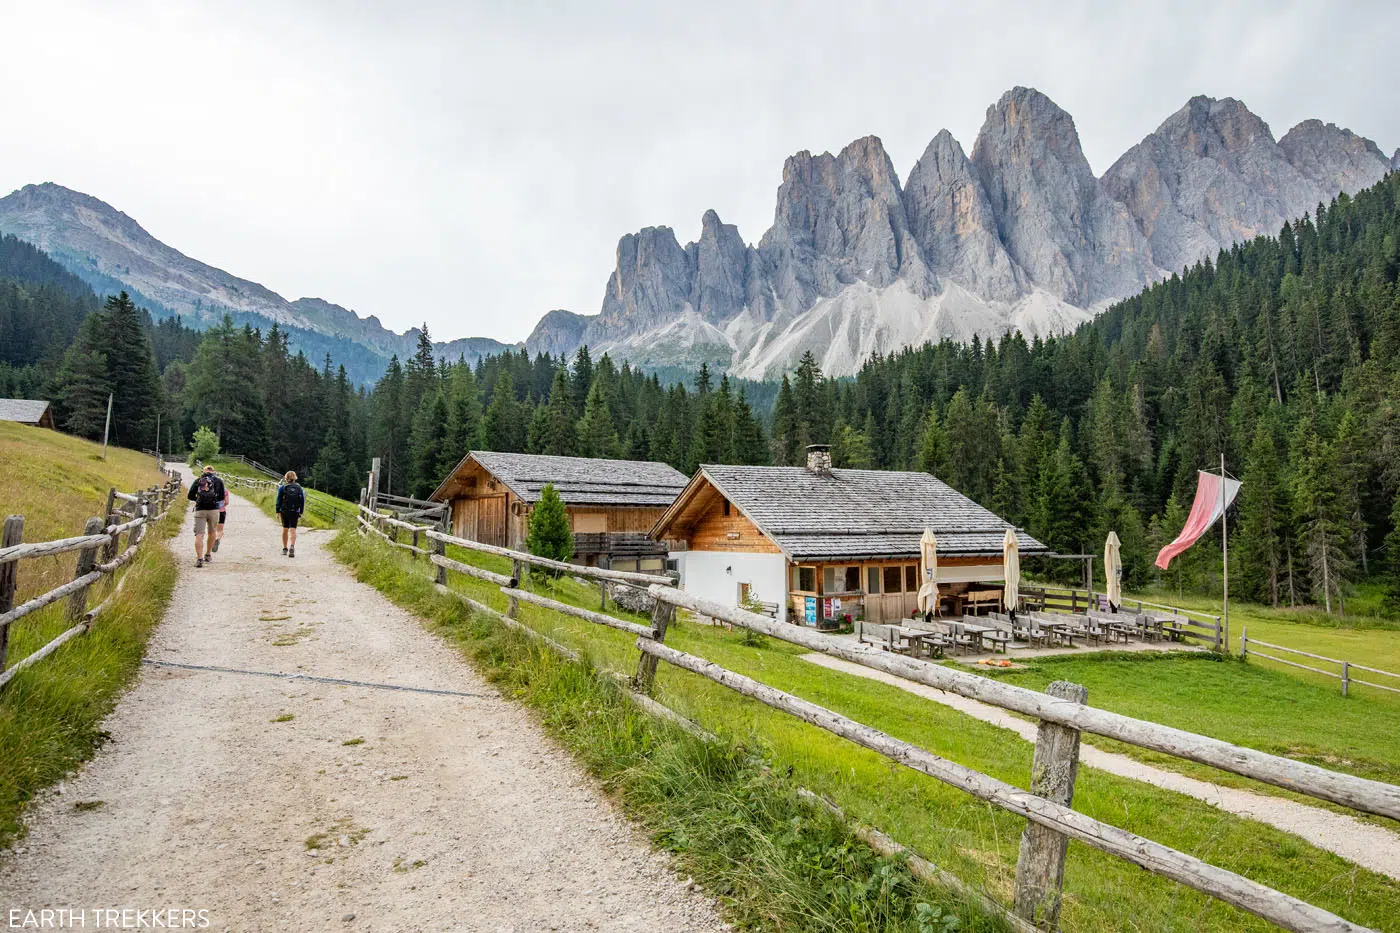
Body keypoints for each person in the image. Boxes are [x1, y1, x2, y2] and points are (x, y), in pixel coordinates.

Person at [187, 465, 226, 568]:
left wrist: (198, 500)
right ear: (214, 471)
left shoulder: (198, 480)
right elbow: (222, 497)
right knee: (212, 532)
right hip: (214, 510)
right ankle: (208, 554)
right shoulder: (219, 481)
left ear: (204, 471)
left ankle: (199, 559)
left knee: (199, 534)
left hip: (200, 510)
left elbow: (190, 495)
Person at [275, 471, 305, 557]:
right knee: (293, 530)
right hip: (295, 511)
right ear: (295, 478)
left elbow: (278, 500)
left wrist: (277, 511)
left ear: (286, 478)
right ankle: (292, 546)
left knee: (285, 529)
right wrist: (301, 512)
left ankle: (285, 549)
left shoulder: (282, 488)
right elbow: (302, 501)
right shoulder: (299, 488)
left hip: (284, 511)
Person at [213, 484, 230, 552]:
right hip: (221, 512)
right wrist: (223, 506)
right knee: (220, 530)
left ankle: (212, 542)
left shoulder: (211, 489)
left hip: (212, 511)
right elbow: (227, 502)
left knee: (212, 529)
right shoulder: (225, 490)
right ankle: (217, 538)